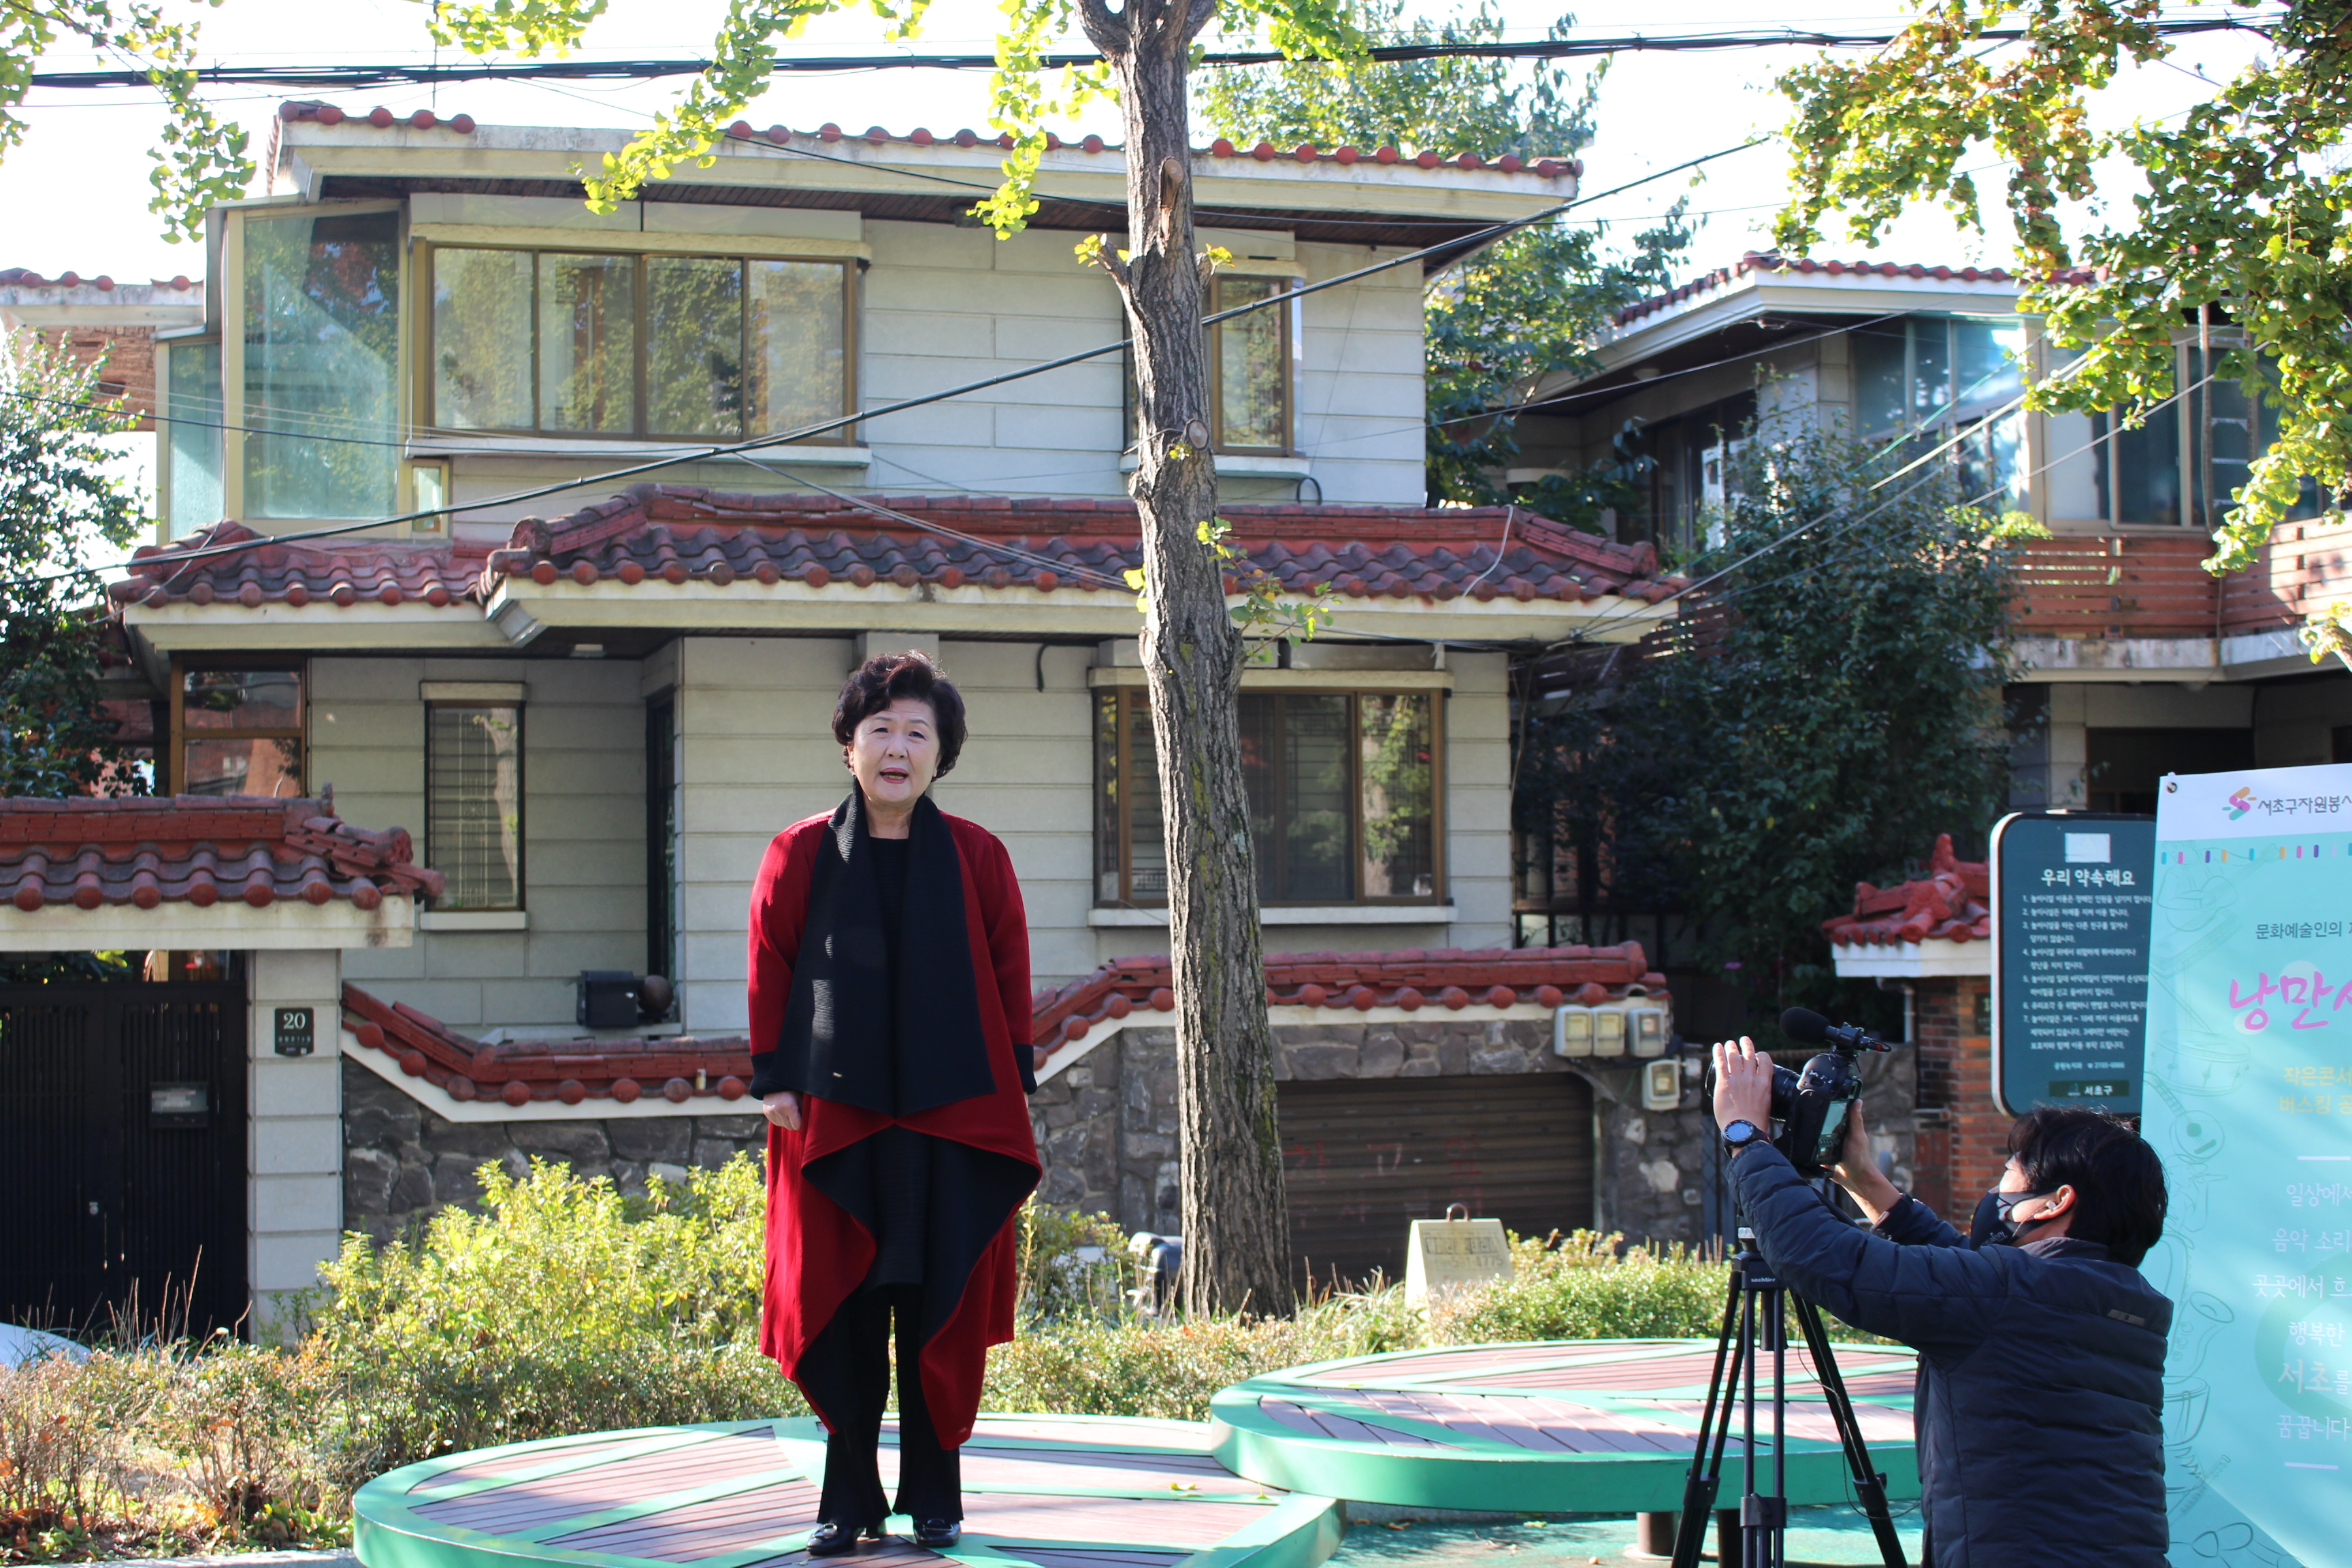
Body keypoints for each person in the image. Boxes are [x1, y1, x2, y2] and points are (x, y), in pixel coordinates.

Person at [748, 652, 1041, 1556]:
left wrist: (1015, 1084)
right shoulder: (799, 852)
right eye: (881, 730)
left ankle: (936, 1498)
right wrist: (774, 1078)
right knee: (843, 1305)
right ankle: (848, 1502)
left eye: (919, 732)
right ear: (850, 745)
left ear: (941, 752)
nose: (898, 748)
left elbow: (1009, 973)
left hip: (952, 1122)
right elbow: (771, 962)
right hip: (833, 1121)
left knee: (932, 1300)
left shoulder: (980, 857)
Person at [1711, 1036, 2172, 1568]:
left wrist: (1747, 1138)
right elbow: (1968, 1279)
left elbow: (1824, 1257)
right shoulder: (2121, 1302)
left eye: (2008, 1175)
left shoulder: (2007, 1293)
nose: (1996, 1194)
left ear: (2055, 1202)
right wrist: (1865, 1180)